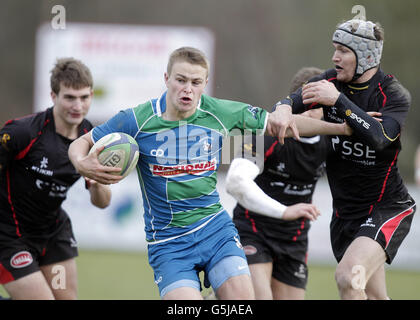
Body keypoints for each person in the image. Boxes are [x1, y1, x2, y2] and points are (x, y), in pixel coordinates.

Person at [68, 47, 350, 300]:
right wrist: (82, 164)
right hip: (168, 242)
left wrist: (346, 127)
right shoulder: (137, 119)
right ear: (166, 78)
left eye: (195, 82)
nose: (187, 89)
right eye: (180, 80)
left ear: (205, 83)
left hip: (215, 230)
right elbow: (81, 142)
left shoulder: (221, 113)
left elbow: (283, 121)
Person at [275, 19, 416, 300]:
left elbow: (381, 139)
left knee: (348, 276)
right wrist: (282, 109)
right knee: (372, 294)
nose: (334, 57)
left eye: (343, 50)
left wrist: (338, 101)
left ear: (365, 56)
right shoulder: (327, 82)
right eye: (334, 49)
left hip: (387, 207)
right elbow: (289, 103)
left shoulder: (392, 94)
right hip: (345, 217)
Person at [0, 58, 112, 300]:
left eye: (84, 97)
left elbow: (102, 202)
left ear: (92, 95)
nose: (78, 106)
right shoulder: (23, 133)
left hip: (52, 233)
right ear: (53, 95)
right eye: (70, 97)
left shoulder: (90, 137)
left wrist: (96, 177)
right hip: (10, 234)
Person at [226, 67, 327, 300]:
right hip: (253, 230)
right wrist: (284, 211)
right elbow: (233, 182)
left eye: (318, 106)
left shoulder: (332, 140)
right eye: (305, 105)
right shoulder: (263, 131)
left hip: (295, 239)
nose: (310, 113)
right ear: (292, 105)